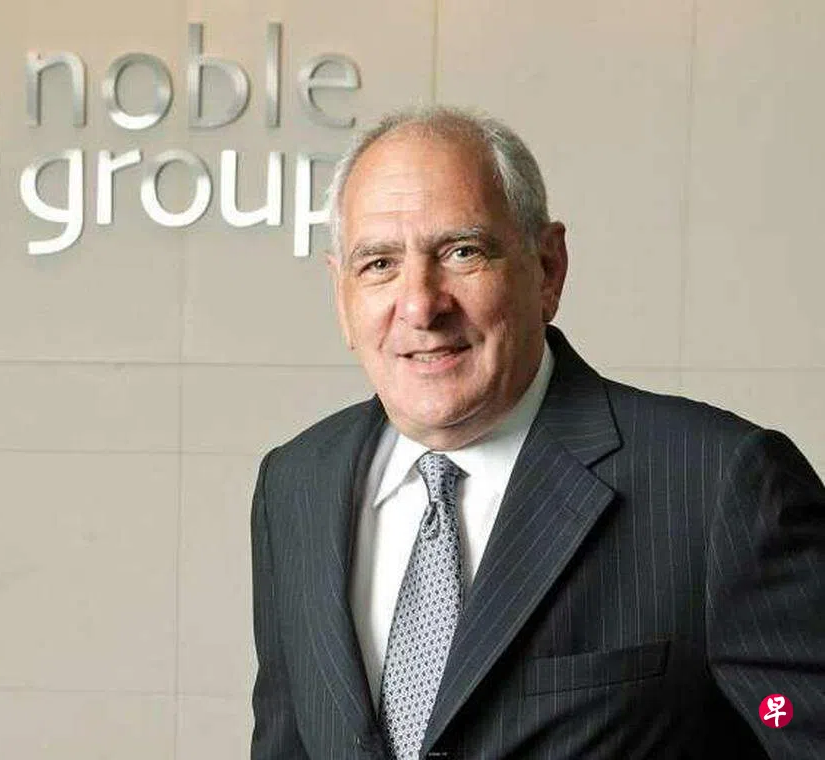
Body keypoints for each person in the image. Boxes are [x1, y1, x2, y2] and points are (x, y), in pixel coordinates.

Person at [249, 106, 825, 759]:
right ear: (342, 296)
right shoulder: (295, 485)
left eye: (462, 252)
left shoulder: (719, 484)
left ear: (548, 268)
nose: (420, 305)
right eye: (379, 263)